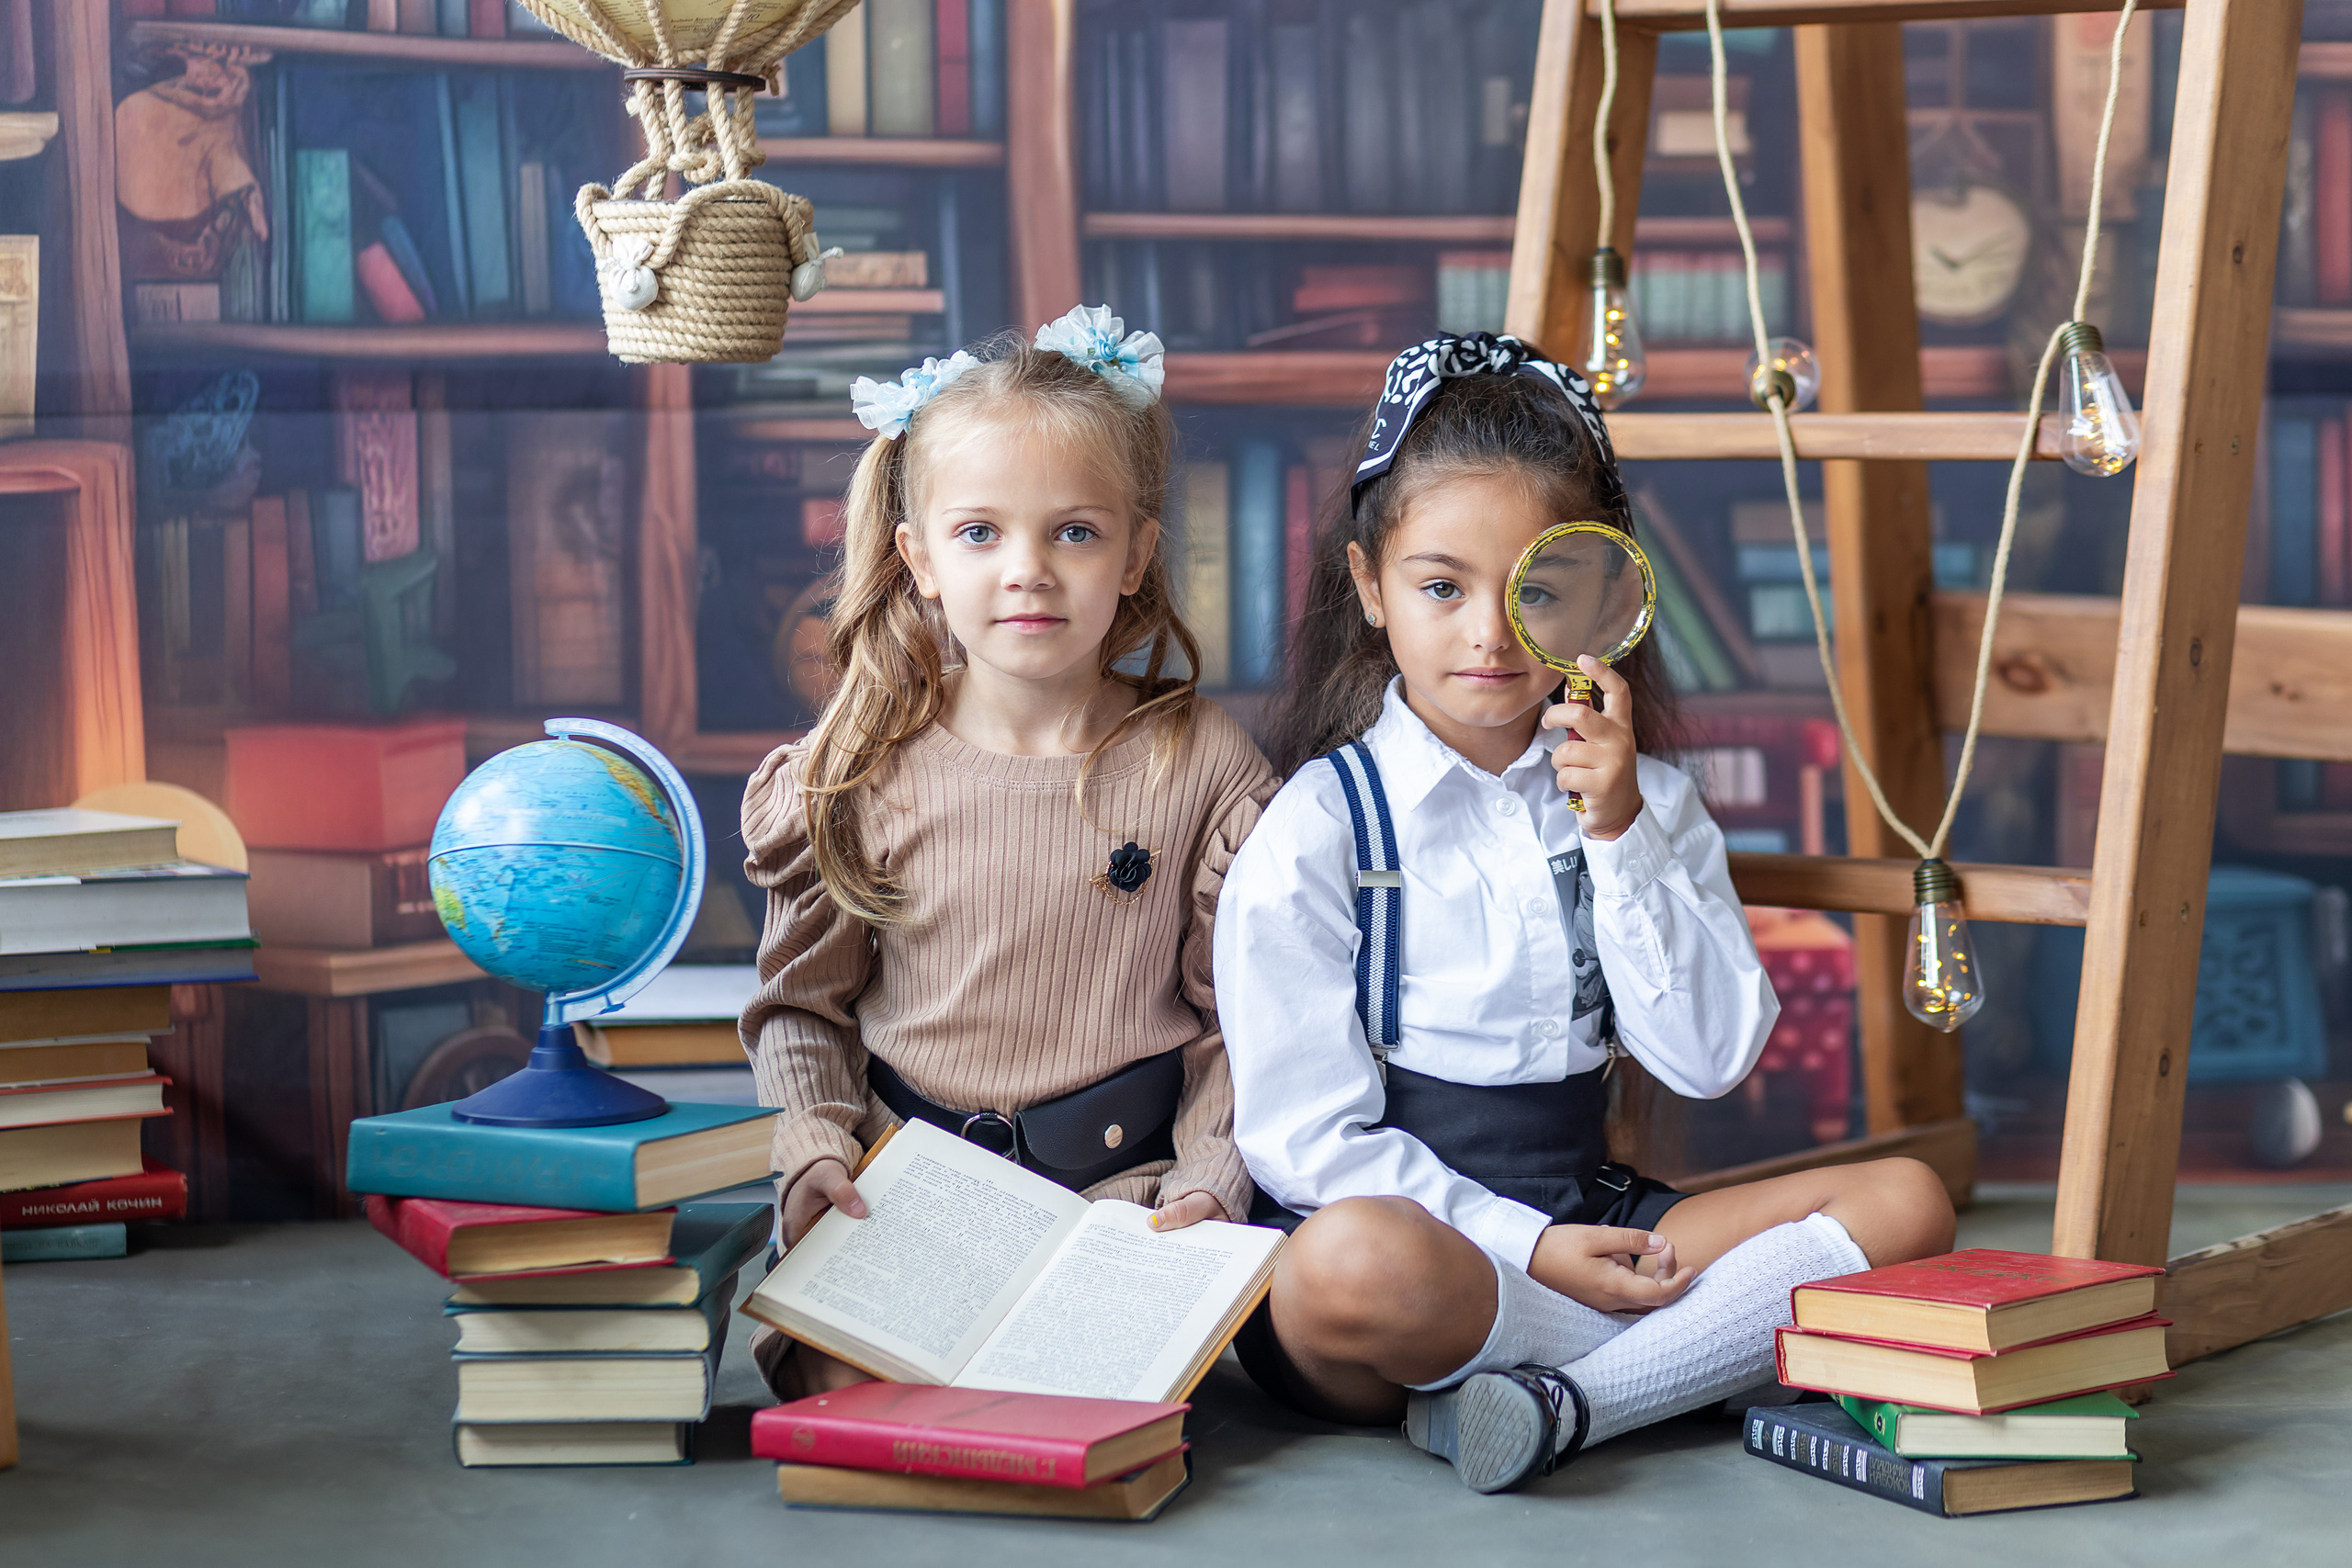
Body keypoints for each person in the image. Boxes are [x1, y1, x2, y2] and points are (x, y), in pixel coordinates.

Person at [1213, 335, 1955, 1495]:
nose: (1491, 635)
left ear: (1608, 594)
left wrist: (1619, 836)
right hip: (1415, 1246)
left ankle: (1563, 1402)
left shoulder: (1647, 804)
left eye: (1539, 590)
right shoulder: (1319, 825)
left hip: (1589, 1208)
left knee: (1905, 1201)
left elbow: (1708, 1059)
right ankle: (1653, 1371)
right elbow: (1305, 1146)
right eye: (1442, 586)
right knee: (1351, 1263)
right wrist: (1529, 1252)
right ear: (1369, 587)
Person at [740, 308, 1277, 1398]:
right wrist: (814, 1152)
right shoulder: (857, 767)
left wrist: (1211, 1181)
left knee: (1085, 1409)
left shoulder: (1204, 763)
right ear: (919, 560)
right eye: (980, 533)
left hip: (1123, 1196)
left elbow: (1243, 1020)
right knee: (858, 1398)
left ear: (1136, 555)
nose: (1026, 570)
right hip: (905, 1185)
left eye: (1073, 532)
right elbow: (806, 1009)